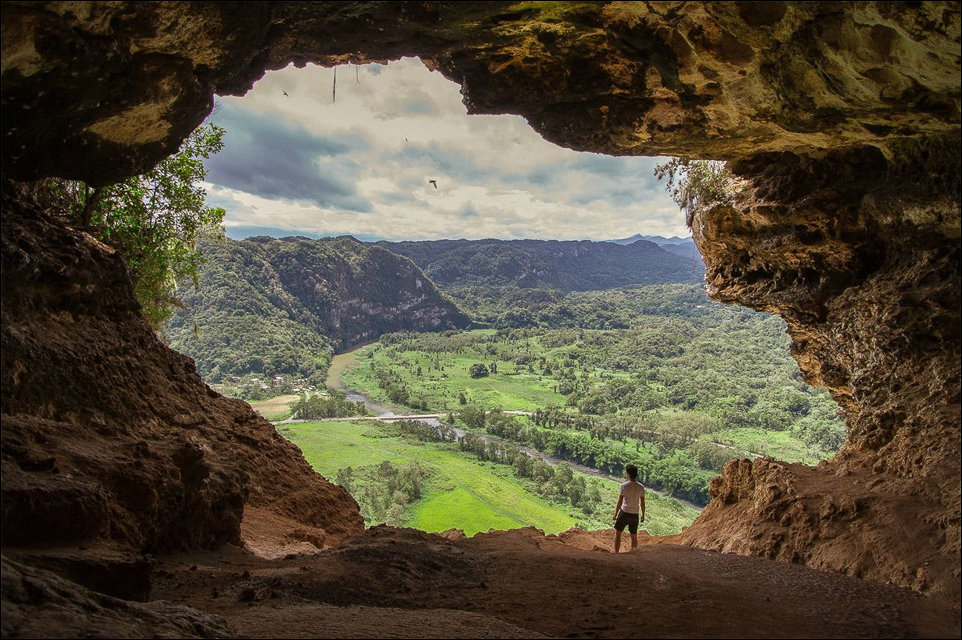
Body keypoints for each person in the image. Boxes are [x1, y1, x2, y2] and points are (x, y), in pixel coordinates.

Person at [612, 464, 645, 553]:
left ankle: (616, 553)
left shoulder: (624, 486)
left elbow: (620, 501)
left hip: (624, 512)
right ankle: (633, 554)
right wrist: (643, 515)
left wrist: (615, 514)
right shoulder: (641, 487)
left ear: (628, 474)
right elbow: (642, 503)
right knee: (634, 536)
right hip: (635, 514)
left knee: (618, 534)